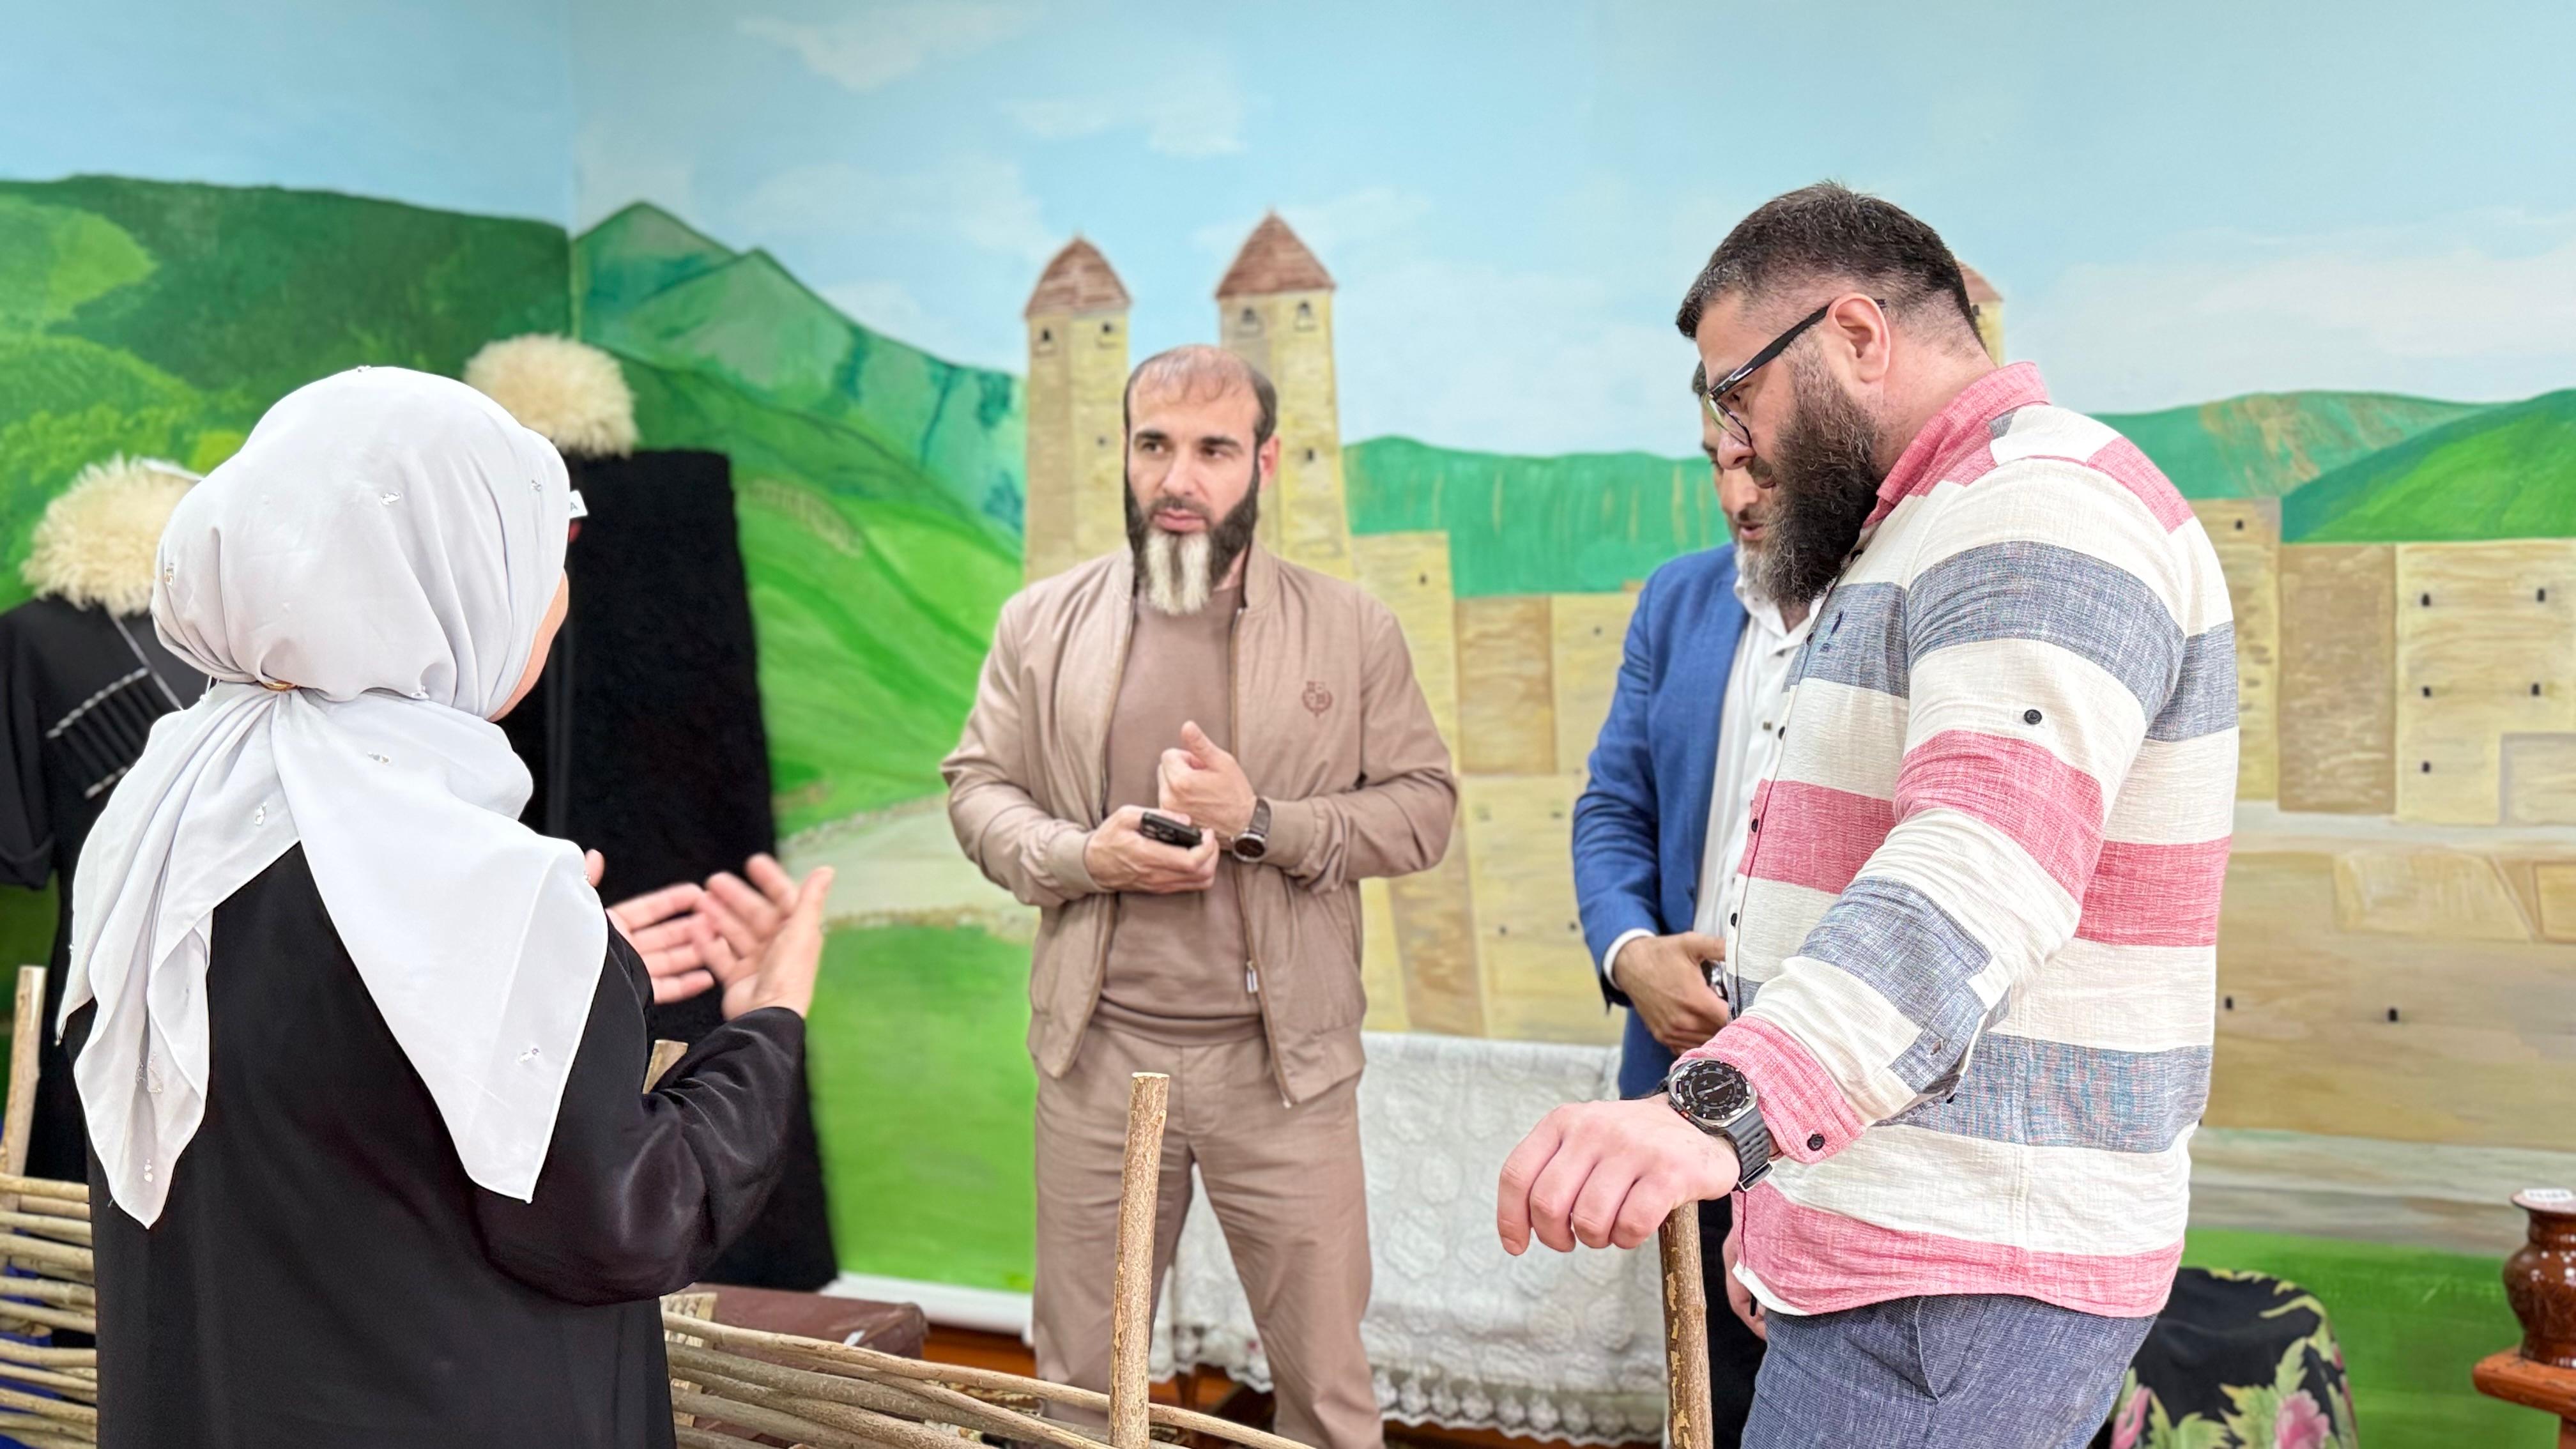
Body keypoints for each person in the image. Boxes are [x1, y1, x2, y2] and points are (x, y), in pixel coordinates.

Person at [1499, 184, 2236, 1448]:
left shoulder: (2036, 511)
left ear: (1853, 335)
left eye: (1739, 393)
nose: (1737, 439)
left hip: (1959, 1276)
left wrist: (1722, 1115)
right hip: (1892, 1242)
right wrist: (1787, 1208)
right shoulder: (1921, 526)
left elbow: (1978, 866)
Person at [60, 366, 836, 1448]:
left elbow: (310, 1064)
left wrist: (574, 975)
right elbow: (628, 1221)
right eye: (533, 559)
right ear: (439, 583)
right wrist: (764, 1023)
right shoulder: (477, 884)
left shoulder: (160, 823)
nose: (553, 600)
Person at [945, 345, 1455, 1449]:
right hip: (1096, 1059)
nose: (1178, 479)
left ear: (1263, 463)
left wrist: (1261, 819)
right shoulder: (1040, 622)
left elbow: (1424, 811)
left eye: (1214, 450)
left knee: (1325, 1390)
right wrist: (1087, 856)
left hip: (1285, 1070)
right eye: (1154, 446)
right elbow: (977, 789)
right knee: (1078, 1392)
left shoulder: (1351, 628)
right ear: (1125, 454)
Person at [1569, 362, 1827, 1444]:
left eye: (1761, 467)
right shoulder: (1676, 601)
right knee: (1711, 1403)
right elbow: (1611, 810)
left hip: (1839, 1114)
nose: (1735, 498)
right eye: (1717, 464)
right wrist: (1633, 956)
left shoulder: (1899, 604)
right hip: (1681, 1085)